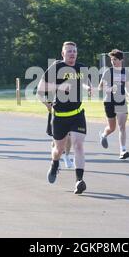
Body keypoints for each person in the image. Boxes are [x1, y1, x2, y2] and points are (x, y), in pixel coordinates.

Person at [37, 41, 92, 195]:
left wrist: (88, 88)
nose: (72, 54)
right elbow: (41, 88)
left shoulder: (81, 68)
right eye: (69, 51)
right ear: (63, 54)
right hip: (59, 116)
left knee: (79, 145)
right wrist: (58, 87)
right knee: (58, 149)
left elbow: (84, 81)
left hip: (77, 114)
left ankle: (79, 181)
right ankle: (55, 164)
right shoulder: (56, 68)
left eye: (74, 51)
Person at [98, 49, 129, 160]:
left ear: (121, 60)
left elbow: (127, 87)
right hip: (109, 102)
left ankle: (123, 150)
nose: (113, 62)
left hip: (121, 101)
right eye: (112, 60)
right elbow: (100, 87)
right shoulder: (108, 72)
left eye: (115, 59)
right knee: (112, 128)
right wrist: (110, 89)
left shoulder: (126, 73)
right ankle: (104, 134)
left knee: (122, 126)